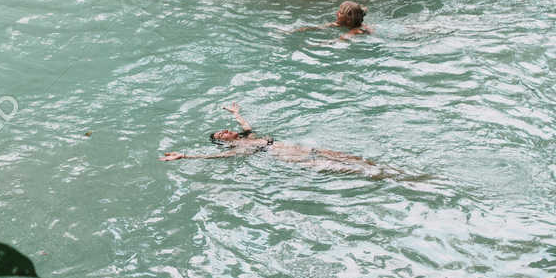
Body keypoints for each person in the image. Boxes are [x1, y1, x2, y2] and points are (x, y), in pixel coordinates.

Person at [160, 103, 399, 175]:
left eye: (223, 129)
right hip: (284, 156)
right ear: (225, 141)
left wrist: (236, 113)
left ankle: (382, 168)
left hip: (297, 147)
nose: (223, 131)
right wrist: (185, 155)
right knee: (339, 168)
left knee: (348, 157)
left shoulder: (248, 137)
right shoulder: (239, 150)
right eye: (219, 135)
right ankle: (381, 176)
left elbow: (245, 126)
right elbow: (216, 157)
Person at [291, 0, 372, 37]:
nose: (337, 13)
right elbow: (320, 27)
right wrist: (301, 29)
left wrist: (318, 45)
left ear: (348, 20)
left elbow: (340, 40)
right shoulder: (341, 23)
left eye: (340, 13)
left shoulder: (357, 30)